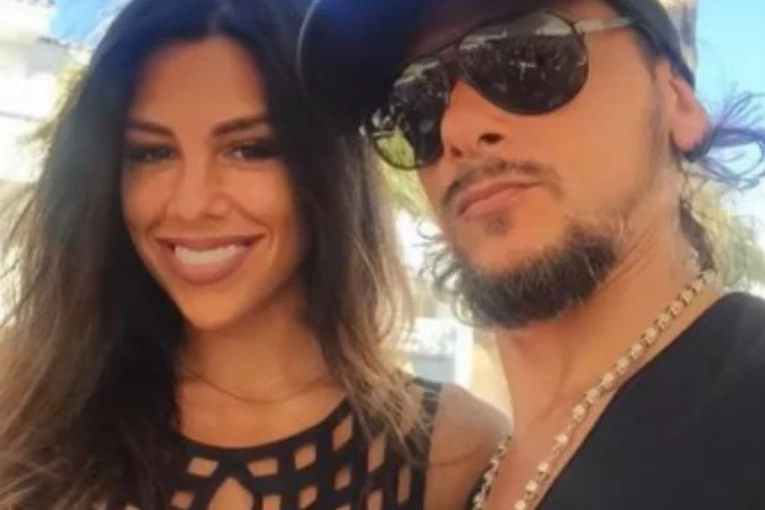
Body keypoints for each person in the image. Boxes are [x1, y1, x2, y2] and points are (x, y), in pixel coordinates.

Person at [0, 0, 508, 508]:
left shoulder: (452, 452)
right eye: (153, 153)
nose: (192, 204)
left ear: (326, 171)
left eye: (247, 149)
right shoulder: (21, 407)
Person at [296, 0, 765, 509]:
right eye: (414, 105)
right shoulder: (473, 479)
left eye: (528, 56)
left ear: (678, 99)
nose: (457, 128)